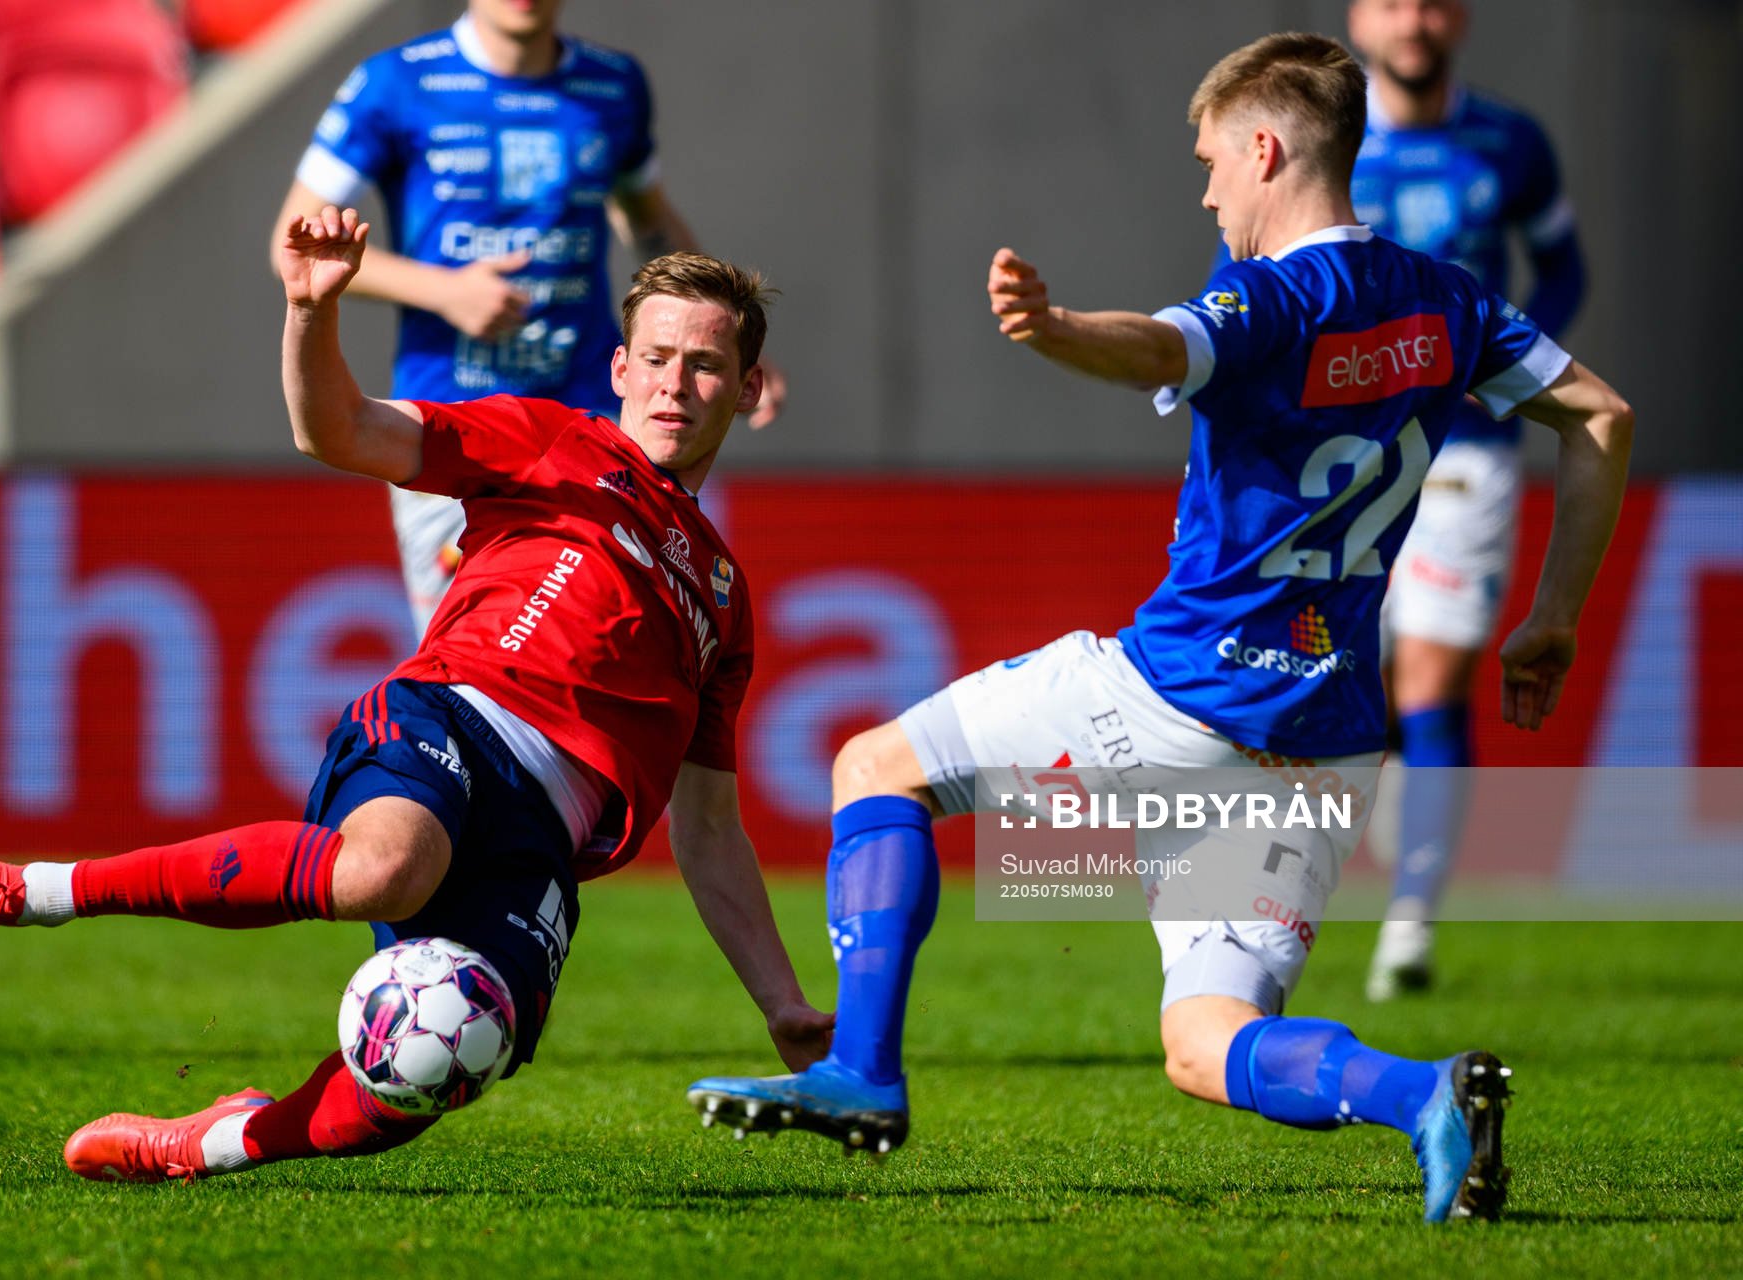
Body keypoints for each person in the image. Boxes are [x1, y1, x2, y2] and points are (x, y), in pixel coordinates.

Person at [685, 33, 1632, 1224]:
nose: (1206, 190)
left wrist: (1056, 326)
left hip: (1184, 693)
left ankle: (862, 1072)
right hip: (1324, 741)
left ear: (1266, 147)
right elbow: (1602, 414)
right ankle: (1427, 1094)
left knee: (877, 766)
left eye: (1210, 162)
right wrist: (1554, 617)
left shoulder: (1271, 293)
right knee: (1204, 1038)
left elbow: (1166, 340)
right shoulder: (1448, 299)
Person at [0, 213, 831, 1184]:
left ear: (749, 389)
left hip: (546, 841)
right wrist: (310, 310)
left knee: (435, 1062)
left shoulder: (722, 594)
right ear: (620, 367)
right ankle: (36, 891)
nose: (676, 381)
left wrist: (783, 1002)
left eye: (705, 364)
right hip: (456, 713)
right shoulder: (552, 441)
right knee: (384, 870)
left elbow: (710, 830)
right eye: (658, 356)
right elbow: (338, 429)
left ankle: (213, 1140)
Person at [272, 0, 784, 636]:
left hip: (600, 424)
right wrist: (444, 291)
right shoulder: (396, 83)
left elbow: (645, 217)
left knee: (638, 642)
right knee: (480, 657)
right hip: (454, 433)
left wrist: (728, 341)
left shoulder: (613, 86)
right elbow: (293, 248)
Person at [1345, 0, 1589, 1001]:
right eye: (1395, 2)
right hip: (1340, 453)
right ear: (1360, 17)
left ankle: (1409, 918)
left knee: (1435, 683)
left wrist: (1512, 368)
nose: (1416, 21)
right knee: (1343, 680)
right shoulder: (1320, 129)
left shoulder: (1511, 142)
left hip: (1464, 455)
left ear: (1463, 19)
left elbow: (1564, 263)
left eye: (1435, 3)